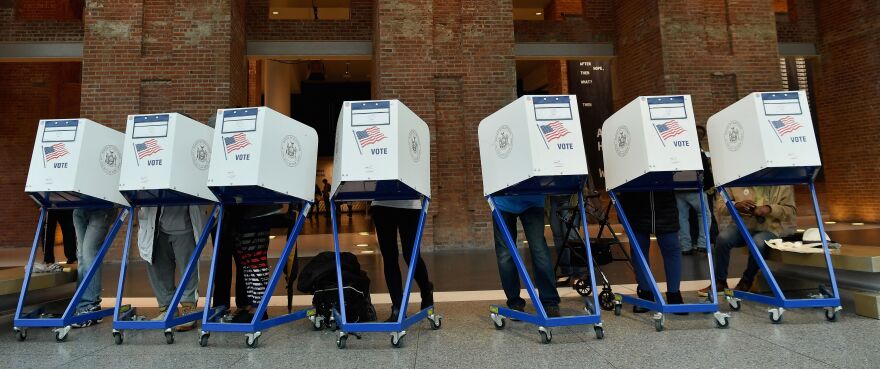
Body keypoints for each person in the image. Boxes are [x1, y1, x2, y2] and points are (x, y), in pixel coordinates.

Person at [699, 186, 796, 296]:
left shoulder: (781, 183)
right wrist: (735, 205)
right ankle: (719, 282)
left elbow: (791, 211)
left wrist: (770, 209)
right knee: (723, 238)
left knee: (758, 243)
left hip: (769, 228)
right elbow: (720, 206)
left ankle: (747, 281)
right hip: (741, 226)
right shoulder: (735, 179)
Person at [137, 205, 209, 331]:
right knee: (157, 268)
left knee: (188, 270)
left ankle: (189, 309)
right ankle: (167, 308)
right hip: (156, 226)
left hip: (185, 225)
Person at [616, 191, 685, 314]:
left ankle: (674, 295)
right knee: (639, 251)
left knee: (671, 248)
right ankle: (645, 293)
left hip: (665, 205)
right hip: (635, 206)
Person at [492, 195, 560, 317]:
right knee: (507, 254)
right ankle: (516, 302)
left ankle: (549, 302)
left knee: (537, 251)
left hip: (530, 198)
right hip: (504, 200)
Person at [371, 199, 434, 322]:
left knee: (411, 255)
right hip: (381, 204)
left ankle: (426, 290)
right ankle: (398, 308)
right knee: (389, 257)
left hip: (409, 205)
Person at [70, 207, 118, 327]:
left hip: (101, 206)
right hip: (79, 208)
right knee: (81, 256)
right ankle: (81, 304)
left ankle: (91, 305)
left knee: (89, 253)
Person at [675, 138, 714, 255]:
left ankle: (685, 246)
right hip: (695, 187)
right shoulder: (696, 151)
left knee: (682, 218)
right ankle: (703, 244)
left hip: (677, 186)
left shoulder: (675, 150)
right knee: (704, 215)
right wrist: (709, 186)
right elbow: (705, 170)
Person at [547, 195, 582, 286]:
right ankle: (566, 272)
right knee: (558, 237)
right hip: (552, 197)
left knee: (572, 236)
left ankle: (578, 274)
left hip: (570, 196)